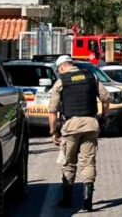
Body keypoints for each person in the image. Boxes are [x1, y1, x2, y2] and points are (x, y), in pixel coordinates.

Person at [48, 55, 111, 211]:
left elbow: (52, 111)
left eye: (58, 70)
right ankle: (87, 200)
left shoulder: (61, 81)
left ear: (61, 67)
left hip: (71, 126)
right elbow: (106, 97)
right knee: (88, 161)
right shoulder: (92, 77)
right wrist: (104, 116)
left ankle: (67, 200)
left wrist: (53, 131)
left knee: (69, 163)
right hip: (91, 124)